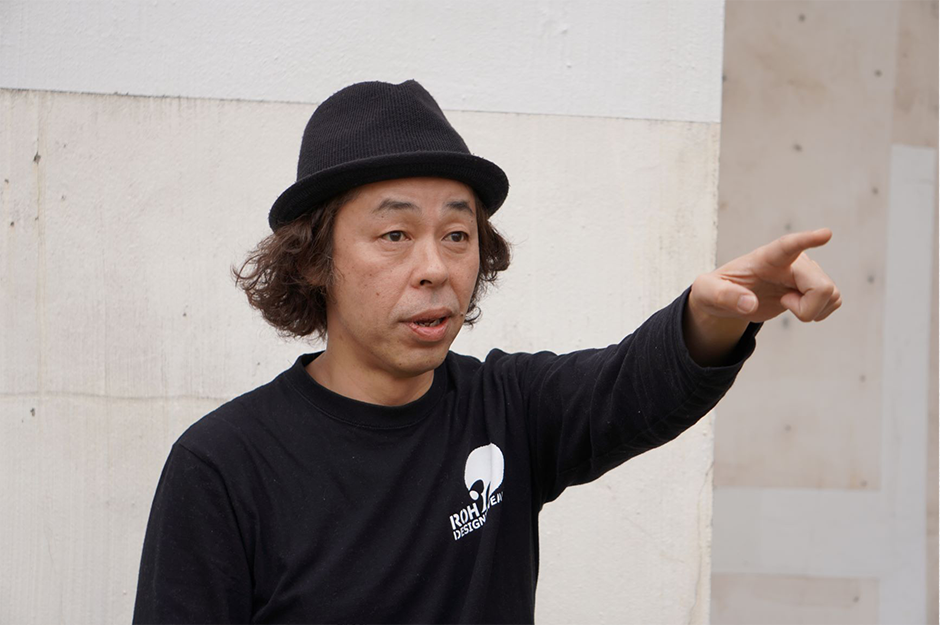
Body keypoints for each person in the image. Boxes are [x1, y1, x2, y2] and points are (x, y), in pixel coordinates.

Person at [132, 79, 841, 624]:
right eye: (395, 235)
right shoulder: (222, 465)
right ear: (314, 260)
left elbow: (633, 385)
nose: (435, 267)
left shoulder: (507, 410)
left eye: (457, 235)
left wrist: (713, 314)